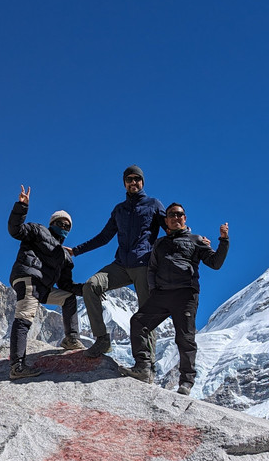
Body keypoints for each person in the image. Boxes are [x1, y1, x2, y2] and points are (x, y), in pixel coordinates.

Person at [120, 203, 229, 395]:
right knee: (138, 322)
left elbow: (215, 263)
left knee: (185, 339)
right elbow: (152, 269)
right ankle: (143, 367)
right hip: (162, 295)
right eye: (172, 215)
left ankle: (186, 382)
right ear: (166, 220)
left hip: (185, 294)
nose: (176, 217)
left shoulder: (196, 240)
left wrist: (223, 240)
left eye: (179, 214)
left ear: (185, 218)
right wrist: (154, 290)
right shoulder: (160, 244)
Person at [67, 165, 165, 358]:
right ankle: (102, 339)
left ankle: (147, 364)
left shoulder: (153, 204)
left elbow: (170, 229)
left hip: (144, 265)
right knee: (91, 286)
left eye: (136, 179)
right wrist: (76, 250)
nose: (133, 182)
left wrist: (188, 238)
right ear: (124, 184)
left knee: (146, 314)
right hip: (121, 265)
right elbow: (104, 237)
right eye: (129, 179)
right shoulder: (119, 210)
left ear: (142, 182)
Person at [6, 185, 84, 380]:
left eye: (68, 226)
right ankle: (17, 366)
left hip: (43, 288)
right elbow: (15, 230)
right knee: (24, 318)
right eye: (60, 223)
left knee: (68, 298)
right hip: (29, 278)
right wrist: (21, 207)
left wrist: (88, 289)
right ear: (52, 222)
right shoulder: (37, 230)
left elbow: (66, 285)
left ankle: (71, 338)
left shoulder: (65, 257)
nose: (64, 227)